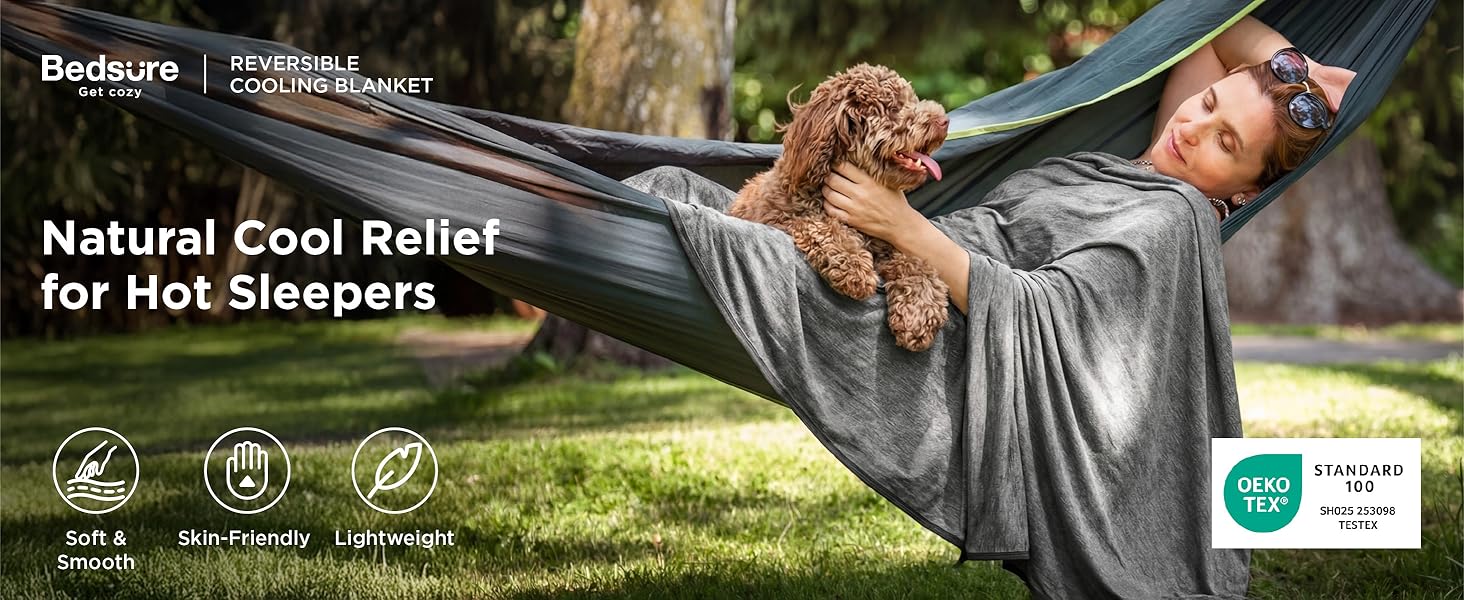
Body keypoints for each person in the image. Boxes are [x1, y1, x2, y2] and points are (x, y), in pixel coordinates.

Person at [820, 16, 1356, 316]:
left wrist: (900, 225)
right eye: (1210, 102)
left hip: (898, 297)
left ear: (1246, 192)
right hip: (876, 248)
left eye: (1227, 143)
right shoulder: (1164, 158)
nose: (1190, 127)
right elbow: (1212, 27)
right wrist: (1300, 74)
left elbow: (1043, 313)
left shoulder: (1174, 220)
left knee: (739, 251)